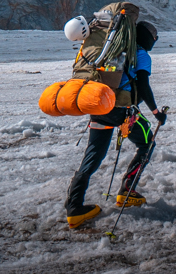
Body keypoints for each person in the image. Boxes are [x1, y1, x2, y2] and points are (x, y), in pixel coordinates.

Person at [65, 21, 166, 228]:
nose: (155, 40)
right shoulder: (140, 54)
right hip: (121, 110)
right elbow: (143, 85)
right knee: (147, 144)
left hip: (98, 106)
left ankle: (74, 208)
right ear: (147, 37)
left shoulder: (112, 50)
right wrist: (156, 112)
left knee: (93, 155)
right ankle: (127, 192)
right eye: (154, 36)